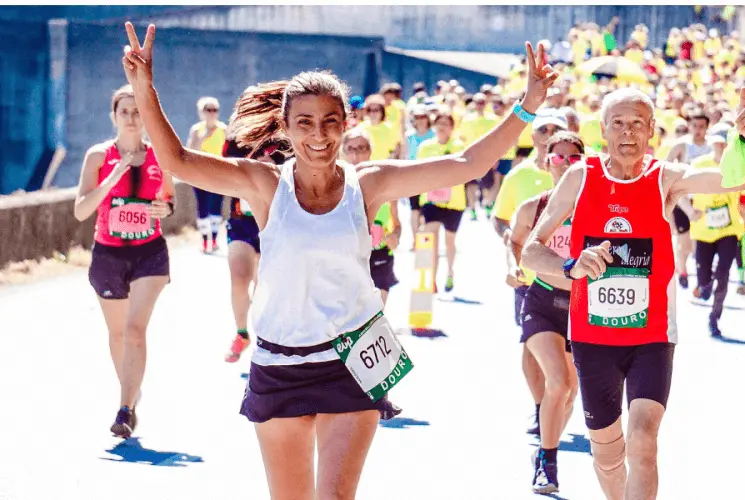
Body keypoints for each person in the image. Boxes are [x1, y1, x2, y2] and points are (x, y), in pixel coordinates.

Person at [121, 22, 557, 499]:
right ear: (286, 129)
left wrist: (528, 104)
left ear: (346, 124)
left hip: (352, 362)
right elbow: (179, 161)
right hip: (279, 363)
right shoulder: (265, 185)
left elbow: (467, 166)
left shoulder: (368, 185)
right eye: (304, 123)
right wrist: (145, 89)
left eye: (330, 121)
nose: (318, 135)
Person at [521, 87, 745, 500]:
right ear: (603, 130)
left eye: (637, 123)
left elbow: (731, 180)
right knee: (607, 456)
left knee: (643, 443)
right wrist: (571, 264)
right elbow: (532, 249)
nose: (627, 132)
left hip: (651, 336)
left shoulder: (664, 177)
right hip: (593, 337)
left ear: (652, 130)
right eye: (617, 123)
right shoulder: (580, 177)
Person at [73, 84, 176, 438]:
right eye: (124, 112)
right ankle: (131, 392)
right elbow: (81, 210)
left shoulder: (160, 156)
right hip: (108, 254)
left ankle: (124, 409)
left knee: (134, 330)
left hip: (149, 252)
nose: (132, 118)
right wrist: (111, 180)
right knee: (117, 334)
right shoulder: (98, 157)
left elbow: (170, 200)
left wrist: (165, 208)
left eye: (137, 112)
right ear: (113, 117)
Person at [507, 131, 583, 493]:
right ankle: (547, 463)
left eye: (573, 158)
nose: (565, 163)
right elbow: (516, 242)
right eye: (558, 157)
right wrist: (513, 267)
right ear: (546, 162)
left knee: (569, 394)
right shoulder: (533, 208)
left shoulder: (595, 209)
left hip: (583, 309)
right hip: (542, 300)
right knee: (560, 383)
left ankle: (545, 445)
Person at [492, 108, 567, 437]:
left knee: (565, 354)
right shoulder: (518, 176)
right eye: (543, 130)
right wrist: (514, 246)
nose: (548, 133)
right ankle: (541, 406)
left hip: (569, 278)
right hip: (529, 275)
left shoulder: (582, 174)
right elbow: (500, 218)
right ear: (534, 136)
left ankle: (557, 401)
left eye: (557, 129)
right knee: (530, 345)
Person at [220, 129, 287, 363]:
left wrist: (273, 169)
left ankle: (264, 335)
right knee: (239, 276)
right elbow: (221, 172)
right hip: (242, 220)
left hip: (274, 220)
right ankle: (241, 333)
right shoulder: (235, 140)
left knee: (265, 284)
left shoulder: (285, 138)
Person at [684, 132, 745, 336]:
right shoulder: (700, 164)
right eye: (717, 143)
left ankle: (714, 316)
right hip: (703, 229)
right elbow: (681, 190)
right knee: (704, 280)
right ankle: (704, 286)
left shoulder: (738, 164)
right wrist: (689, 211)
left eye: (724, 143)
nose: (720, 147)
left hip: (729, 228)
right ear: (711, 144)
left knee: (723, 274)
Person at [341, 129, 402, 305]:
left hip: (380, 255)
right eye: (350, 149)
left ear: (369, 151)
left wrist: (395, 236)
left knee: (377, 315)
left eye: (361, 148)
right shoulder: (335, 185)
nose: (355, 154)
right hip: (348, 259)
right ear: (343, 152)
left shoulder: (384, 183)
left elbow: (397, 224)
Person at [416, 112, 465, 293]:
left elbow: (464, 169)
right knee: (431, 238)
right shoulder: (425, 147)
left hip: (454, 201)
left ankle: (450, 273)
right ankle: (431, 279)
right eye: (439, 123)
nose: (442, 127)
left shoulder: (459, 146)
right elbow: (419, 171)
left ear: (452, 127)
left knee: (449, 242)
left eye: (446, 123)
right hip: (431, 200)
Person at [666, 110, 714, 289]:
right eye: (695, 126)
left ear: (707, 127)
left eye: (702, 126)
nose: (698, 130)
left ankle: (703, 276)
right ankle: (683, 270)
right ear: (689, 126)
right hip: (684, 199)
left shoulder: (713, 146)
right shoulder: (681, 146)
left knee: (701, 242)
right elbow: (666, 165)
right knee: (684, 240)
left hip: (706, 198)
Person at [186, 96, 227, 253]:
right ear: (201, 112)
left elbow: (229, 153)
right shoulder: (196, 130)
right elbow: (190, 151)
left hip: (218, 174)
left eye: (214, 110)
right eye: (207, 110)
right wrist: (205, 136)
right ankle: (204, 241)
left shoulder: (223, 129)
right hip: (199, 174)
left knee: (216, 207)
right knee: (202, 207)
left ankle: (215, 240)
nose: (211, 113)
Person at [403, 106, 436, 248]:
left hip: (430, 176)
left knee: (427, 209)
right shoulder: (409, 136)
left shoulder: (433, 135)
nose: (420, 121)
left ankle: (425, 239)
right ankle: (415, 239)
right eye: (417, 118)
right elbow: (404, 156)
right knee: (414, 209)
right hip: (412, 175)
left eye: (423, 117)